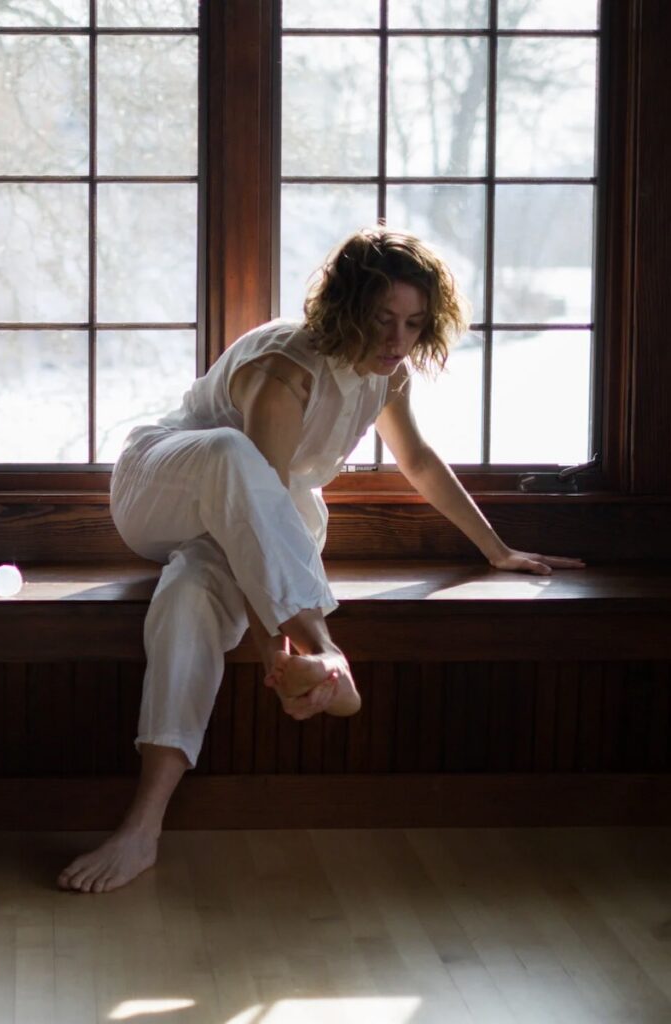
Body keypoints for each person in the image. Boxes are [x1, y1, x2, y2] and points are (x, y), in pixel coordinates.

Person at [57, 226, 585, 894]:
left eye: (415, 324)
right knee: (228, 454)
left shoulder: (385, 377)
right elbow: (257, 507)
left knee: (188, 595)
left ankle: (142, 827)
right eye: (383, 319)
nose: (398, 341)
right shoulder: (286, 370)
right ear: (348, 308)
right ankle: (329, 652)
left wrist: (497, 548)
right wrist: (278, 651)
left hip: (256, 518)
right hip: (161, 487)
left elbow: (417, 461)